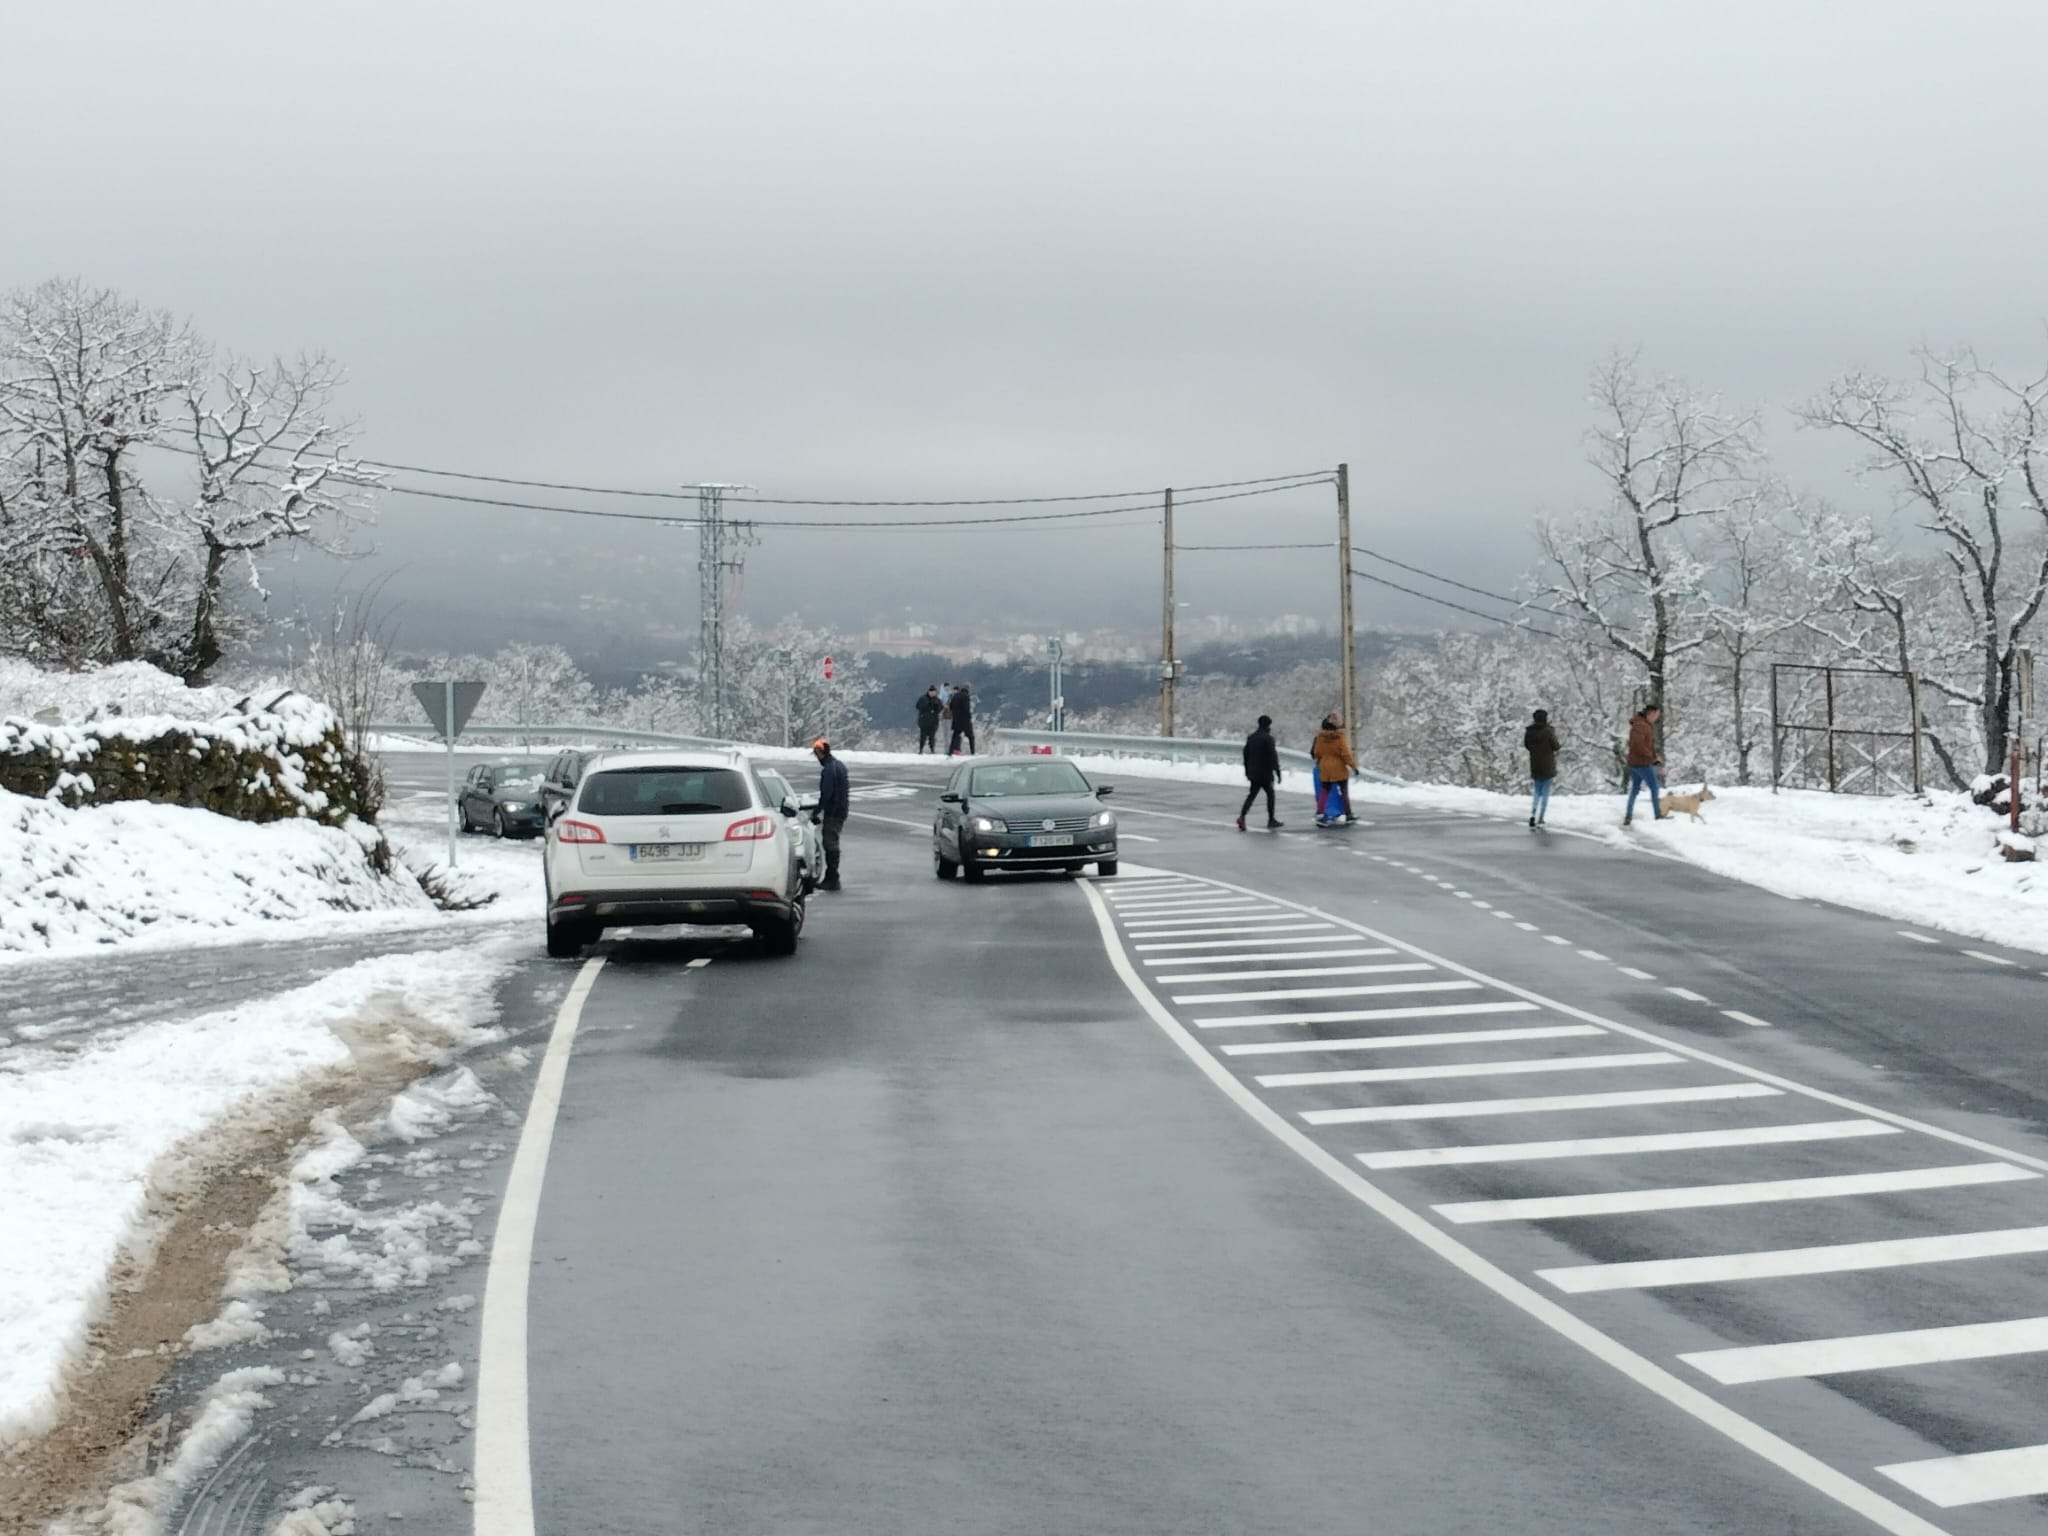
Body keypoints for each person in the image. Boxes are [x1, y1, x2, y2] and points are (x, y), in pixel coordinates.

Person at [811, 737, 849, 890]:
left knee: (830, 843)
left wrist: (816, 812)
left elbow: (826, 794)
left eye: (816, 754)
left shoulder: (829, 770)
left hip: (833, 812)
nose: (816, 757)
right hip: (841, 810)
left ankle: (833, 877)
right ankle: (831, 876)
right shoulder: (839, 765)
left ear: (821, 753)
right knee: (832, 841)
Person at [1237, 715, 1285, 831]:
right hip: (1265, 772)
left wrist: (1247, 770)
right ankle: (1271, 819)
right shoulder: (1268, 739)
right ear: (1268, 725)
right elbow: (1273, 757)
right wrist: (1277, 772)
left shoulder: (1251, 737)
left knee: (1252, 795)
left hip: (1253, 772)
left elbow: (1246, 754)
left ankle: (1242, 816)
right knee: (1270, 795)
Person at [1311, 712, 1357, 826]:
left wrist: (1322, 760)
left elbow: (1317, 753)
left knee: (1325, 791)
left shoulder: (1320, 738)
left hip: (1325, 767)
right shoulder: (1339, 738)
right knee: (1344, 792)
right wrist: (1353, 766)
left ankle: (1320, 813)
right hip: (1339, 768)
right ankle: (1348, 814)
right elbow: (1345, 754)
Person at [1622, 703, 1662, 827]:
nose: (1657, 718)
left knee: (1635, 789)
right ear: (1650, 714)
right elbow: (1639, 745)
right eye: (1656, 715)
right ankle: (1657, 815)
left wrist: (1654, 758)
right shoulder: (1641, 726)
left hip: (1635, 762)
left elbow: (1648, 745)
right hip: (1642, 763)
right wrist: (1651, 758)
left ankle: (1629, 815)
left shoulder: (1644, 725)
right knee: (1655, 788)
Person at [1524, 708, 1560, 828]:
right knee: (1545, 793)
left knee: (1537, 791)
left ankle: (1533, 813)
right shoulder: (1548, 731)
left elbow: (1527, 745)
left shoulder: (1529, 731)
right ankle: (1541, 817)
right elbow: (1556, 746)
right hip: (1548, 765)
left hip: (1535, 764)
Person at [947, 682, 976, 756]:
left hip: (956, 720)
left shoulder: (955, 696)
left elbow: (950, 706)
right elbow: (966, 709)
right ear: (968, 689)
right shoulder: (966, 697)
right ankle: (973, 752)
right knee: (971, 736)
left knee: (955, 736)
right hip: (965, 720)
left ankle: (950, 752)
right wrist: (969, 717)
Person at [915, 685, 943, 754]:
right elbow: (918, 706)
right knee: (923, 737)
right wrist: (927, 706)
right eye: (931, 692)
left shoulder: (937, 700)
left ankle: (932, 750)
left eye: (934, 692)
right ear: (929, 692)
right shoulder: (923, 698)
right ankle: (921, 749)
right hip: (924, 721)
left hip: (933, 722)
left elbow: (940, 708)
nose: (933, 693)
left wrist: (936, 707)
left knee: (932, 737)